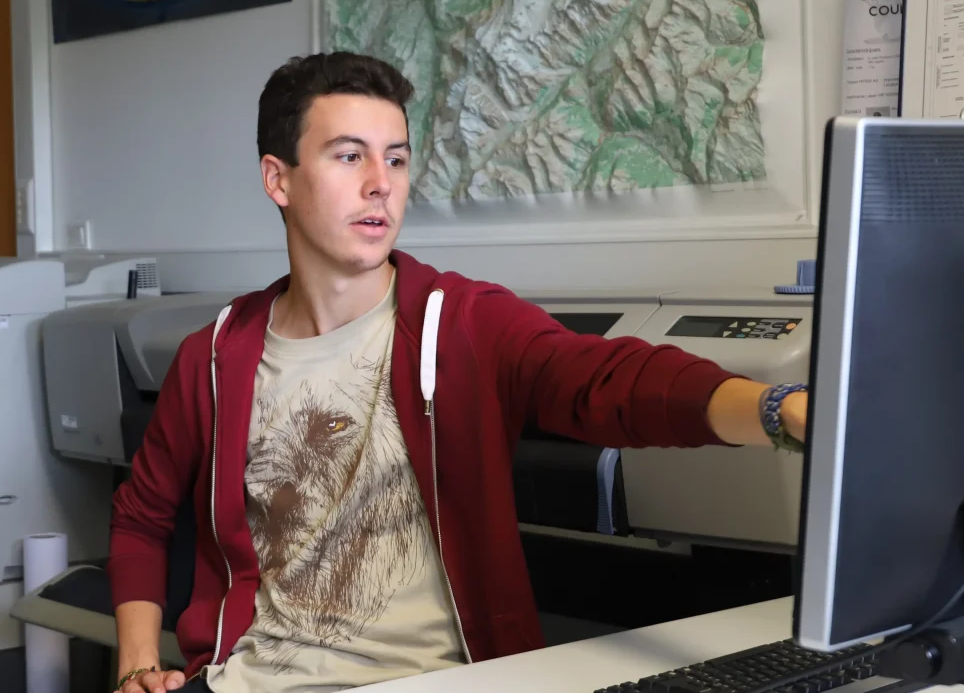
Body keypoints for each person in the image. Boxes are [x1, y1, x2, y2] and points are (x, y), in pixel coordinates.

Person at [107, 53, 811, 693]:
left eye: (396, 159)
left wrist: (777, 408)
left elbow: (610, 379)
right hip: (246, 681)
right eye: (349, 156)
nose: (381, 185)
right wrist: (137, 664)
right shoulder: (214, 356)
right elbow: (141, 516)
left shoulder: (463, 322)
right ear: (278, 179)